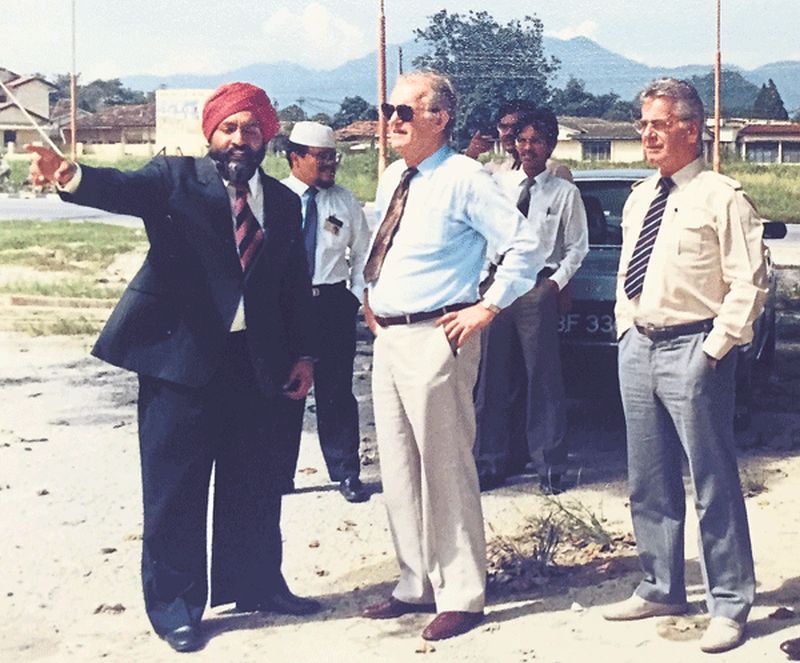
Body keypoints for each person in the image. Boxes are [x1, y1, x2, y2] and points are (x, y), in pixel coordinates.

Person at [26, 82, 321, 653]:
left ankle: (257, 583)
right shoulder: (176, 179)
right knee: (175, 489)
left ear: (267, 136)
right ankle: (176, 608)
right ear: (210, 134)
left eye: (251, 128)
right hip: (180, 365)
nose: (240, 139)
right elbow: (121, 189)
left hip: (256, 363)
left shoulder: (283, 202)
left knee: (256, 481)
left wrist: (304, 355)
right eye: (229, 128)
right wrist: (70, 174)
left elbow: (292, 287)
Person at [360, 71, 544, 641]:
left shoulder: (465, 177)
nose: (392, 121)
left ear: (439, 119)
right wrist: (369, 300)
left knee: (444, 465)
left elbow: (525, 245)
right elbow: (381, 243)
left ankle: (462, 592)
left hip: (437, 336)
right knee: (398, 466)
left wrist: (486, 308)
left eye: (404, 112)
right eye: (389, 110)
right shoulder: (396, 174)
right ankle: (415, 582)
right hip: (389, 337)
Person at [602, 78, 767, 655]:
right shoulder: (639, 195)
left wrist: (715, 350)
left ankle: (729, 601)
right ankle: (661, 585)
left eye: (657, 123)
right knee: (648, 479)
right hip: (639, 347)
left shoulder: (723, 196)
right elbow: (632, 269)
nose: (646, 133)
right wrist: (627, 328)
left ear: (690, 129)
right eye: (642, 123)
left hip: (696, 350)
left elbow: (750, 282)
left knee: (714, 483)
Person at [473, 109, 588, 493]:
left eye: (536, 141)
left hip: (536, 288)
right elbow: (484, 234)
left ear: (550, 146)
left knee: (543, 378)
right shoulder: (500, 185)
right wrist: (482, 281)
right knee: (491, 378)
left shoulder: (564, 192)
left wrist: (554, 284)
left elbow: (576, 248)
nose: (527, 148)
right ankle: (490, 462)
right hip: (497, 283)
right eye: (522, 140)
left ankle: (550, 466)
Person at [280, 121, 371, 503]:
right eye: (321, 157)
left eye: (333, 157)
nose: (330, 164)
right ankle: (277, 473)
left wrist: (355, 297)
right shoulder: (276, 196)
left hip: (331, 305)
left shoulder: (345, 201)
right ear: (295, 157)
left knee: (336, 392)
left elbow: (364, 253)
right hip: (286, 306)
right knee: (284, 391)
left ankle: (346, 472)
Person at [464, 99, 573, 181]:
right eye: (503, 127)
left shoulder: (553, 171)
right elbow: (457, 188)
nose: (508, 133)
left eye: (515, 127)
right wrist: (471, 154)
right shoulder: (496, 168)